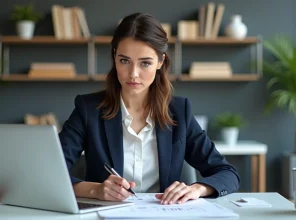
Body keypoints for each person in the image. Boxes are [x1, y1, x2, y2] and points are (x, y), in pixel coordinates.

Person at [59, 12, 240, 205]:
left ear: (160, 62)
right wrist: (96, 189)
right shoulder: (88, 109)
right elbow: (50, 173)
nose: (133, 74)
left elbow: (228, 174)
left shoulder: (180, 111)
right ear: (114, 57)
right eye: (124, 61)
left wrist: (196, 189)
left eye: (145, 63)